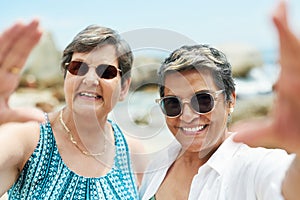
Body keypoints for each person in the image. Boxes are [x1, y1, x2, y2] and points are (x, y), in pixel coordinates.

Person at [139, 1, 300, 199]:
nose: (187, 115)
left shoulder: (248, 165)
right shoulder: (159, 164)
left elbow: (287, 185)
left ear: (230, 100)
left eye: (202, 100)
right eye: (173, 104)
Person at [0, 20, 140, 199]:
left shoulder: (132, 152)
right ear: (66, 76)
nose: (90, 79)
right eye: (78, 67)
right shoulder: (27, 139)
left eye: (106, 72)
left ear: (124, 87)